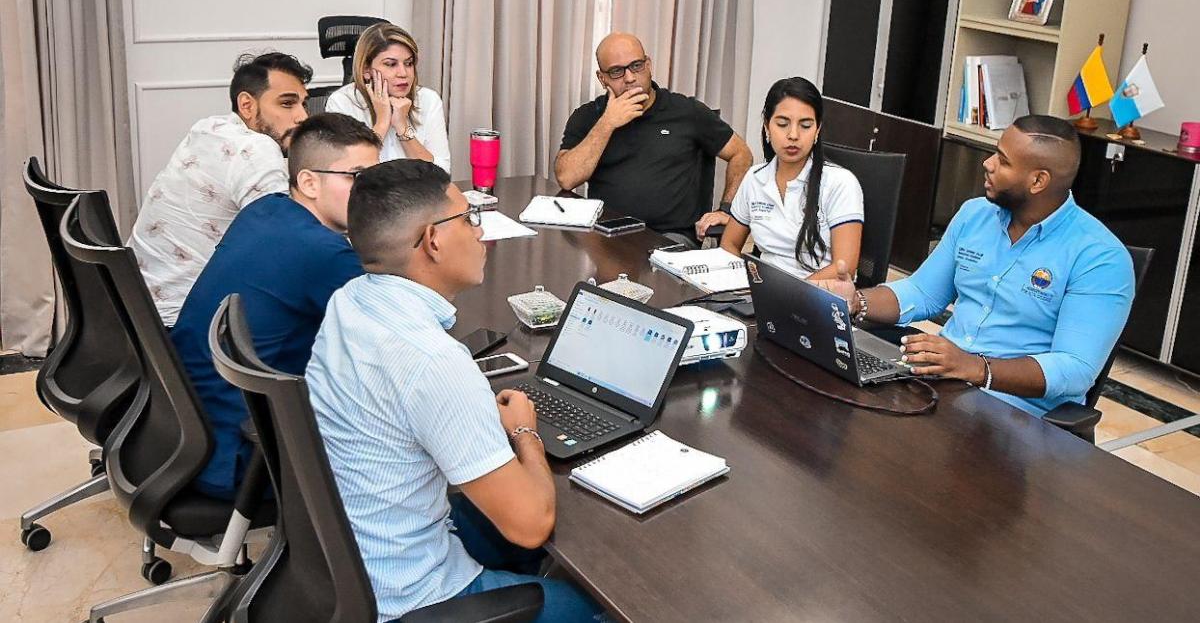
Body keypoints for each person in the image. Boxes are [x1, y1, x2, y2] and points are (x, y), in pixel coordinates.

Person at [306, 161, 604, 622]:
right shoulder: (433, 360)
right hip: (407, 595)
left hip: (346, 558)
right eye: (469, 218)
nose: (480, 233)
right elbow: (531, 524)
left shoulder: (348, 300)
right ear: (433, 240)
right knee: (600, 608)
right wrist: (525, 430)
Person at [815, 115, 1135, 417]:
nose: (988, 164)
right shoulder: (975, 215)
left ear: (1038, 180)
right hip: (940, 387)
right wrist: (859, 301)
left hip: (1016, 416)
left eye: (1003, 161)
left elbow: (1074, 369)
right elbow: (923, 292)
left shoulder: (1100, 258)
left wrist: (974, 367)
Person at [169, 113, 380, 500]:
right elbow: (397, 333)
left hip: (186, 430)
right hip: (245, 455)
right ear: (309, 181)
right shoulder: (324, 252)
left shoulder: (265, 209)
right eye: (357, 178)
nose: (372, 194)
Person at [129, 51, 312, 326]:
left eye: (303, 104)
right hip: (188, 323)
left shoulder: (208, 128)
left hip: (141, 312)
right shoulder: (256, 148)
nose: (302, 117)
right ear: (247, 105)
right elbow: (283, 243)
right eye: (287, 104)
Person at [555, 32, 753, 244]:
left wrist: (727, 210)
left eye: (636, 66)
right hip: (607, 236)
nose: (630, 78)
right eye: (616, 72)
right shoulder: (588, 116)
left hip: (669, 237)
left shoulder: (687, 112)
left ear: (648, 65)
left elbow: (741, 154)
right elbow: (567, 178)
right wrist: (607, 123)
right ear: (602, 79)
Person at [720, 77, 863, 280]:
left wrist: (791, 296)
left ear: (817, 131)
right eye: (782, 124)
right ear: (767, 127)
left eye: (805, 125)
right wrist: (747, 284)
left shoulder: (840, 183)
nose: (793, 135)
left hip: (819, 296)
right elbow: (729, 244)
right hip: (764, 291)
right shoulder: (755, 178)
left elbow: (845, 267)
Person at [325, 22, 451, 173]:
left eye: (409, 63)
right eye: (391, 64)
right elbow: (347, 174)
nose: (403, 73)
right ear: (366, 70)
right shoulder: (342, 102)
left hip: (416, 195)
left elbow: (442, 174)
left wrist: (402, 127)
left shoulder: (428, 100)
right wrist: (382, 123)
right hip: (366, 196)